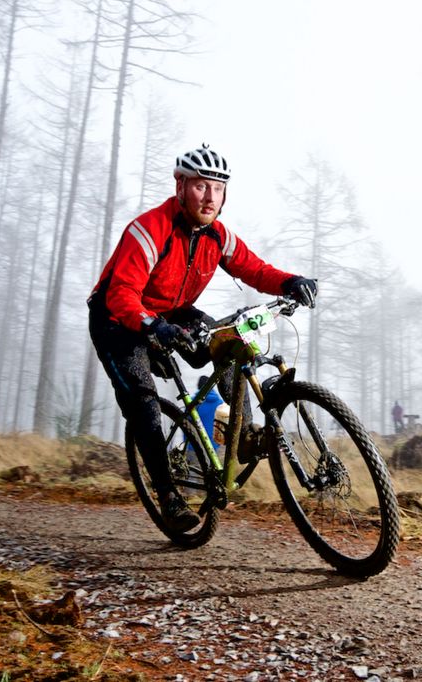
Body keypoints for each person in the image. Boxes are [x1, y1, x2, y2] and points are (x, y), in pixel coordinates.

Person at [87, 144, 317, 532]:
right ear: (180, 185)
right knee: (143, 404)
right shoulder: (149, 230)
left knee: (229, 340)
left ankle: (242, 435)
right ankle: (168, 497)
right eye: (200, 187)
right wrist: (151, 327)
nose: (210, 197)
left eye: (218, 188)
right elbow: (122, 293)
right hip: (116, 319)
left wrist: (290, 282)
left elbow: (254, 269)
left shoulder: (218, 236)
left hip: (171, 312)